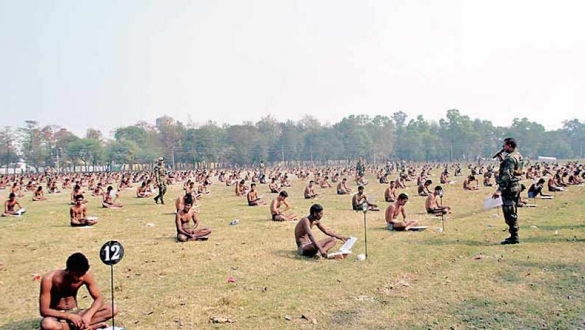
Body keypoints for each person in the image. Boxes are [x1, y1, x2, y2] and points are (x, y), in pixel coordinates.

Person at [39, 252, 118, 330]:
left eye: (82, 274)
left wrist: (88, 316)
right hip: (57, 316)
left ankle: (80, 325)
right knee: (48, 324)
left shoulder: (86, 276)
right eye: (77, 274)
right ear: (69, 270)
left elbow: (99, 298)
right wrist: (69, 316)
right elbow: (44, 310)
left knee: (112, 309)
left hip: (77, 314)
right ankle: (82, 327)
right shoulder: (49, 279)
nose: (80, 278)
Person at [492, 138, 523, 244]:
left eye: (504, 146)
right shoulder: (518, 155)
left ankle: (514, 236)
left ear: (509, 146)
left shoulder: (510, 158)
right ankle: (514, 235)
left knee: (509, 212)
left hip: (509, 188)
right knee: (512, 210)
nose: (503, 148)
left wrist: (499, 190)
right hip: (516, 186)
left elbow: (507, 175)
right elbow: (515, 171)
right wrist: (502, 160)